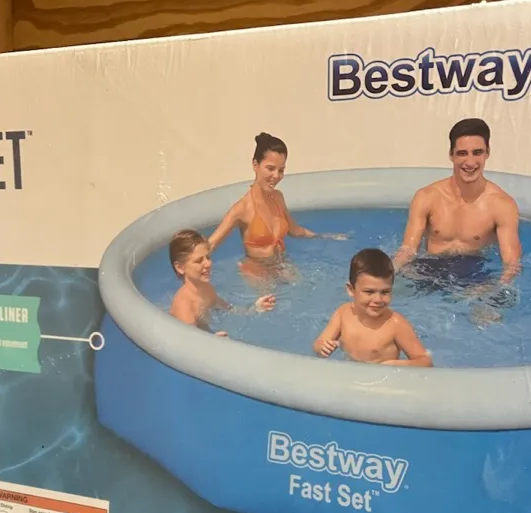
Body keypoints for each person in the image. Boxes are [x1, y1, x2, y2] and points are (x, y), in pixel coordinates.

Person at [393, 118, 521, 288]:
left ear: (487, 153)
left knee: (495, 305)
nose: (470, 162)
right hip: (429, 269)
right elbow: (408, 250)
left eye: (477, 152)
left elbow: (511, 264)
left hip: (473, 273)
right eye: (462, 153)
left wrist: (494, 288)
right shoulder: (427, 197)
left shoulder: (502, 205)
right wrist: (389, 274)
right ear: (451, 155)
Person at [208, 132, 347, 282]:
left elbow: (294, 230)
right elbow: (211, 244)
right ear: (255, 165)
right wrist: (192, 267)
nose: (276, 176)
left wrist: (324, 237)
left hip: (281, 264)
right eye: (270, 168)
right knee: (271, 298)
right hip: (256, 270)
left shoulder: (278, 198)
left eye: (281, 170)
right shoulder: (242, 209)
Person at [313, 248, 432, 367]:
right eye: (369, 292)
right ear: (351, 290)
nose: (378, 300)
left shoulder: (395, 324)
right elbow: (319, 343)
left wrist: (395, 365)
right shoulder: (343, 313)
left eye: (385, 292)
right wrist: (322, 347)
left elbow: (425, 361)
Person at [168, 229, 275, 333]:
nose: (208, 264)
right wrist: (213, 341)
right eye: (199, 261)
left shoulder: (206, 289)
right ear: (180, 268)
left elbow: (229, 309)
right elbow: (188, 341)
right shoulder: (184, 305)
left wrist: (254, 308)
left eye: (208, 257)